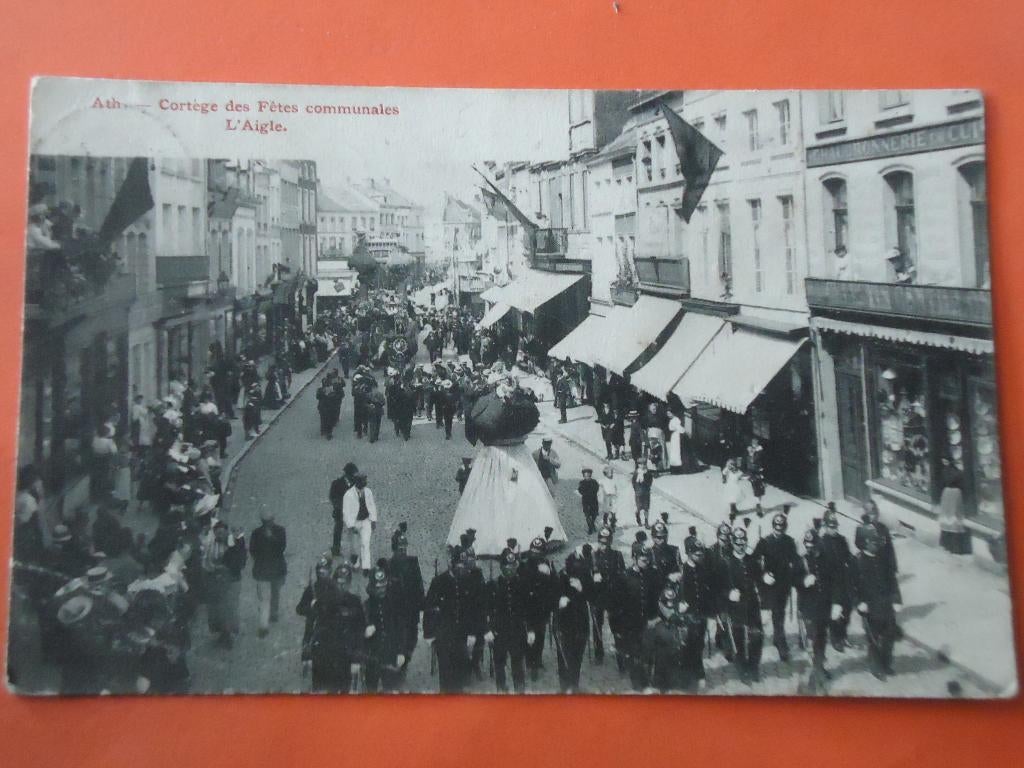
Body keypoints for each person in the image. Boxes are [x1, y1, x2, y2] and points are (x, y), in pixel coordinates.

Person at [423, 545, 485, 693]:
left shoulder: (470, 581)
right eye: (457, 565)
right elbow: (430, 609)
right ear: (451, 564)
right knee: (445, 675)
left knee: (462, 675)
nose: (460, 569)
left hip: (463, 636)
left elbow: (475, 610)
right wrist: (429, 634)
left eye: (463, 566)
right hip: (443, 636)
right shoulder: (438, 582)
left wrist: (472, 633)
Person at [851, 526, 901, 681]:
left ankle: (886, 663)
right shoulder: (857, 561)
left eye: (877, 541)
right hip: (870, 607)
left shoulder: (883, 559)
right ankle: (876, 666)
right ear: (865, 543)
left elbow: (892, 581)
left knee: (889, 637)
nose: (877, 544)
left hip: (886, 605)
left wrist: (897, 599)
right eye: (873, 542)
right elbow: (851, 586)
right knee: (873, 639)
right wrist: (858, 603)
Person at [794, 528, 840, 692]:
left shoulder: (827, 560)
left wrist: (836, 603)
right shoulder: (801, 561)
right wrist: (803, 581)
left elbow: (835, 583)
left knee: (821, 636)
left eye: (813, 544)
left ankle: (819, 665)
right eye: (807, 545)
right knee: (813, 638)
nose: (810, 547)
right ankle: (817, 669)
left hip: (824, 606)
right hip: (808, 607)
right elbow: (793, 579)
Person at [612, 539, 660, 691]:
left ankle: (647, 681)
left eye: (648, 559)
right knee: (635, 657)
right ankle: (639, 686)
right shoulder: (624, 577)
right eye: (643, 559)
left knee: (650, 655)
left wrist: (657, 618)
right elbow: (616, 606)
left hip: (649, 622)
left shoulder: (652, 575)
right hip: (630, 625)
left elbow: (656, 599)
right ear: (634, 558)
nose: (646, 562)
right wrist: (618, 629)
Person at [752, 512, 800, 662]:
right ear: (773, 526)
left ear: (785, 527)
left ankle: (779, 639)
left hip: (783, 584)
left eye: (782, 526)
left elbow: (796, 560)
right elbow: (753, 561)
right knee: (772, 613)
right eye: (776, 525)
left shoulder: (789, 541)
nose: (779, 528)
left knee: (779, 613)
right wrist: (763, 575)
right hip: (769, 583)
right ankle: (777, 640)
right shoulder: (765, 542)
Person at [642, 585, 704, 693]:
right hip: (663, 683)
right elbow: (646, 659)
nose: (669, 610)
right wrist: (648, 685)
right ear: (660, 605)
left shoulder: (687, 624)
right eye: (666, 607)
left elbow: (695, 654)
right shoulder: (653, 628)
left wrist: (700, 676)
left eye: (672, 606)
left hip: (684, 682)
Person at [721, 526, 763, 684]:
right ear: (732, 542)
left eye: (743, 541)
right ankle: (742, 669)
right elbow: (718, 587)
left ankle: (753, 667)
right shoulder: (726, 562)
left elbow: (760, 582)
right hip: (735, 607)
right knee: (737, 640)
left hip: (752, 604)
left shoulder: (752, 560)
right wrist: (728, 594)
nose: (740, 544)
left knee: (756, 637)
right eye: (737, 542)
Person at [485, 543, 529, 693]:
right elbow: (486, 609)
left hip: (517, 631)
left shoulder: (522, 584)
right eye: (508, 568)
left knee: (518, 663)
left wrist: (529, 630)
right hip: (499, 633)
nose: (511, 570)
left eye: (513, 567)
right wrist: (488, 630)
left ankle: (519, 691)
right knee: (499, 664)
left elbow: (527, 609)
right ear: (502, 568)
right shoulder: (493, 586)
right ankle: (502, 691)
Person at [383, 523, 425, 677]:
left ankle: (405, 662)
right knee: (396, 637)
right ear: (394, 548)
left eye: (404, 547)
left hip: (411, 609)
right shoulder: (388, 565)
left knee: (411, 639)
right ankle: (397, 666)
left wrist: (421, 606)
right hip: (395, 610)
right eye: (399, 548)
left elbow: (419, 585)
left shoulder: (413, 563)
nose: (402, 550)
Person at [553, 546, 593, 693]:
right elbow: (552, 597)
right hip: (563, 623)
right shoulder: (561, 576)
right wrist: (559, 600)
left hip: (581, 622)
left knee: (577, 657)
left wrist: (582, 588)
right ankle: (564, 688)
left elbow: (593, 596)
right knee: (564, 657)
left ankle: (574, 686)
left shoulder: (586, 576)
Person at [363, 566, 409, 692]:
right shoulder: (367, 606)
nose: (381, 590)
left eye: (383, 586)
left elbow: (401, 629)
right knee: (371, 692)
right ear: (372, 587)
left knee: (392, 692)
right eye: (378, 587)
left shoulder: (394, 604)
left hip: (391, 654)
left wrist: (401, 652)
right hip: (372, 657)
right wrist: (365, 630)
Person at [201, 521, 247, 649]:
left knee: (230, 607)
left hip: (232, 581)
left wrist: (226, 568)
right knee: (217, 608)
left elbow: (240, 561)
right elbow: (206, 561)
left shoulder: (234, 544)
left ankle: (229, 634)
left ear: (227, 532)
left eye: (222, 532)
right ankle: (223, 632)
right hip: (216, 580)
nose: (219, 536)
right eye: (217, 533)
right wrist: (214, 568)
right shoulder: (211, 545)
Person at [519, 536, 558, 681]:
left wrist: (549, 573)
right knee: (530, 636)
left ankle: (538, 659)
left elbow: (555, 584)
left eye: (538, 552)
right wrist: (538, 572)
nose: (535, 555)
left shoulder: (547, 564)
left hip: (543, 608)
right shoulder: (524, 566)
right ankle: (531, 663)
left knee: (540, 636)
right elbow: (523, 583)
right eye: (533, 551)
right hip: (529, 608)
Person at [590, 526, 625, 667]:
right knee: (597, 626)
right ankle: (599, 653)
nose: (603, 545)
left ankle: (620, 658)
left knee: (617, 627)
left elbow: (622, 575)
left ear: (610, 542)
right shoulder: (593, 556)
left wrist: (611, 580)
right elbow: (587, 576)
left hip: (613, 596)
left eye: (606, 542)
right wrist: (593, 577)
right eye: (601, 542)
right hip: (598, 596)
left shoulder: (617, 555)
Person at [820, 506, 853, 651]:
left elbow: (848, 557)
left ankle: (843, 636)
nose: (833, 530)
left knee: (846, 611)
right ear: (825, 526)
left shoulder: (842, 540)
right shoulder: (820, 543)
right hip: (829, 584)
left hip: (843, 580)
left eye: (835, 527)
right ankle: (835, 638)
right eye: (830, 527)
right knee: (833, 613)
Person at [250, 509, 287, 638]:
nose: (268, 523)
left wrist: (271, 538)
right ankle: (264, 624)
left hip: (274, 570)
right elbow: (253, 550)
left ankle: (274, 612)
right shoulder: (256, 534)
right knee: (265, 598)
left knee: (275, 592)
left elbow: (282, 547)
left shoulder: (280, 531)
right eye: (266, 521)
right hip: (265, 570)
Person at [342, 474, 378, 576]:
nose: (365, 483)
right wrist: (351, 525)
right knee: (355, 546)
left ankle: (366, 567)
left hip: (366, 521)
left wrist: (373, 520)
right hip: (355, 522)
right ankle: (356, 564)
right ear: (357, 482)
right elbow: (346, 512)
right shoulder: (348, 495)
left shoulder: (368, 492)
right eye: (363, 481)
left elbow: (372, 505)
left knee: (365, 544)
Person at [329, 463, 359, 557]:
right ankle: (336, 548)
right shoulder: (337, 483)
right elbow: (333, 497)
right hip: (340, 511)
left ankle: (354, 551)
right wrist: (339, 506)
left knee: (354, 531)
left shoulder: (356, 484)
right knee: (338, 528)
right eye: (352, 474)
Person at [649, 517, 682, 594]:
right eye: (659, 537)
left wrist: (679, 575)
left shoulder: (674, 550)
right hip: (655, 591)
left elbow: (680, 568)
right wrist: (668, 577)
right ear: (653, 537)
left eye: (664, 536)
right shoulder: (649, 553)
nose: (663, 540)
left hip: (673, 590)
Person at [631, 457, 654, 529]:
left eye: (644, 464)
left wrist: (645, 483)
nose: (642, 466)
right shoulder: (636, 473)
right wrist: (636, 489)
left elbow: (650, 482)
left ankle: (646, 522)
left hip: (646, 492)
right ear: (638, 465)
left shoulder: (648, 473)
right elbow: (633, 482)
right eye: (640, 464)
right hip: (638, 493)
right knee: (639, 507)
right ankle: (637, 516)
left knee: (646, 508)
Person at [577, 468, 600, 535]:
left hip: (593, 500)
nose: (587, 476)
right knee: (587, 515)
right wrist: (585, 493)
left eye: (588, 475)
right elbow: (580, 490)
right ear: (583, 476)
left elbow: (596, 489)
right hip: (586, 501)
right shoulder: (582, 482)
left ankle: (592, 524)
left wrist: (591, 492)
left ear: (590, 475)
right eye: (585, 475)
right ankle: (590, 527)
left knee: (594, 514)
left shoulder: (594, 482)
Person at [598, 464, 618, 533]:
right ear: (605, 473)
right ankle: (605, 524)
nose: (611, 474)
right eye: (609, 472)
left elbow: (615, 488)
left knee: (613, 512)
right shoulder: (602, 481)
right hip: (606, 498)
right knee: (606, 512)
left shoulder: (614, 481)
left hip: (613, 498)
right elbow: (600, 488)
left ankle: (612, 525)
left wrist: (615, 494)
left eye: (612, 472)